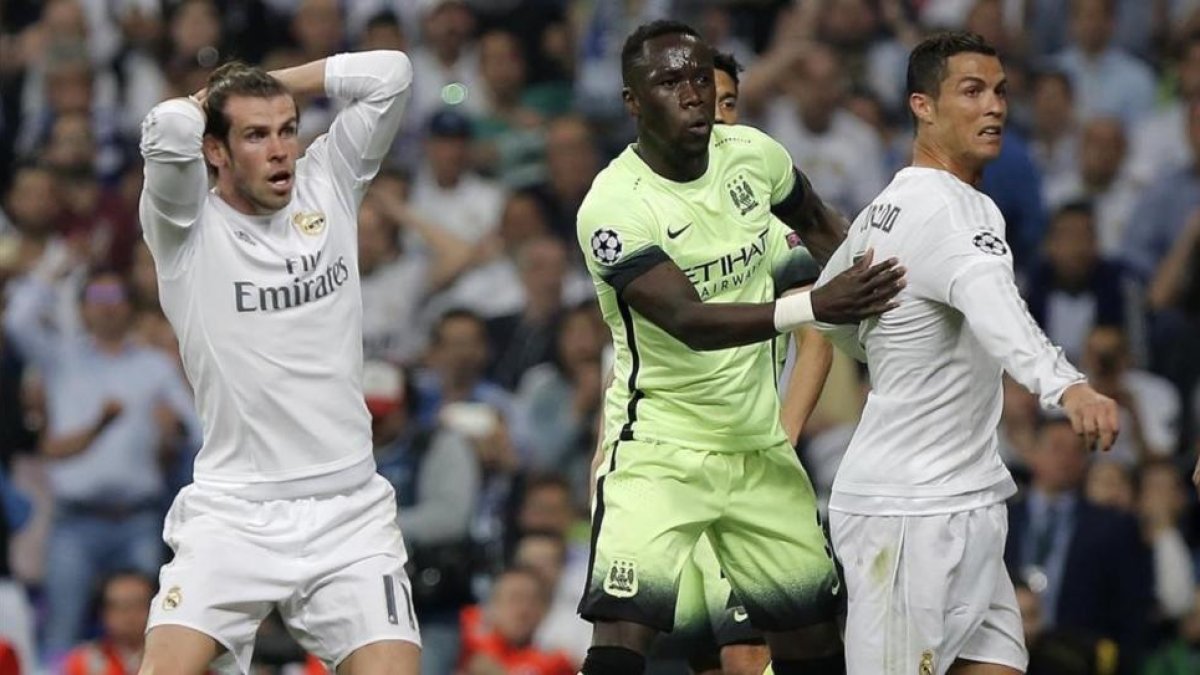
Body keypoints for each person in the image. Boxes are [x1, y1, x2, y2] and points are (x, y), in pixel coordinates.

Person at [574, 20, 905, 675]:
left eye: (701, 78)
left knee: (813, 643)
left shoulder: (753, 154)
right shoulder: (612, 207)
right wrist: (816, 305)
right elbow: (690, 321)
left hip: (757, 448)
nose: (692, 94)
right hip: (661, 448)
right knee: (622, 636)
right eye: (669, 82)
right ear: (633, 101)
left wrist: (885, 291)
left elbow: (824, 230)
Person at [813, 32, 1120, 675]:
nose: (995, 107)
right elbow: (998, 311)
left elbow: (829, 310)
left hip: (964, 496)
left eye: (1001, 92)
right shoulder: (952, 213)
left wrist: (884, 346)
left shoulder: (882, 211)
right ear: (922, 106)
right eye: (972, 91)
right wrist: (1067, 386)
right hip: (910, 512)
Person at [137, 49, 421, 674]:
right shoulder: (183, 227)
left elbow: (392, 73)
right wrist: (214, 98)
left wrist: (269, 86)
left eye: (288, 129)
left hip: (351, 511)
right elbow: (168, 126)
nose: (280, 151)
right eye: (255, 136)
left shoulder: (330, 182)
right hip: (234, 514)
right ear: (215, 150)